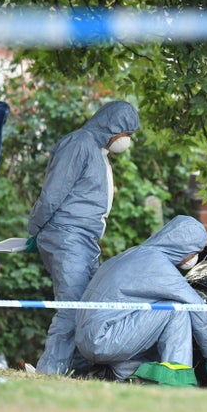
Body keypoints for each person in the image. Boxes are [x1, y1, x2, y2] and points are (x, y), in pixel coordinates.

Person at [26, 100, 140, 375]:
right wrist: (36, 228)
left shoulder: (96, 150)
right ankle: (50, 371)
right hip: (68, 236)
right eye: (126, 133)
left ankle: (76, 368)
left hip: (83, 239)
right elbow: (53, 193)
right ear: (113, 127)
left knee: (87, 307)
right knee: (73, 306)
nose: (126, 140)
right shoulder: (80, 143)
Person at [74, 215, 207, 382]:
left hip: (88, 338)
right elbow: (196, 307)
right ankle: (177, 380)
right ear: (184, 248)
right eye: (196, 251)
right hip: (104, 339)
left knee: (155, 314)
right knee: (175, 310)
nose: (195, 257)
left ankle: (122, 375)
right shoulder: (159, 266)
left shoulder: (132, 254)